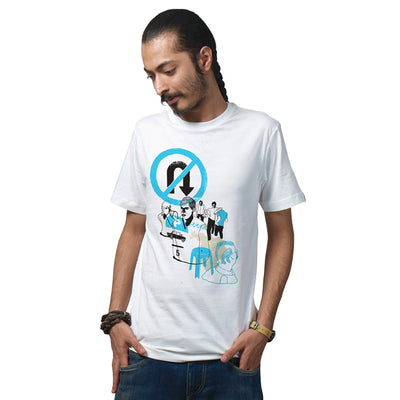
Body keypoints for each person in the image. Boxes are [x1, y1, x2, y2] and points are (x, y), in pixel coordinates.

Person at [101, 8, 305, 400]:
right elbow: (133, 229)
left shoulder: (261, 132)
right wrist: (114, 318)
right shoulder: (147, 133)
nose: (159, 87)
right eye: (151, 76)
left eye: (168, 70)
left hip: (231, 360)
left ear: (204, 59)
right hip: (147, 355)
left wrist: (263, 329)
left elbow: (282, 234)